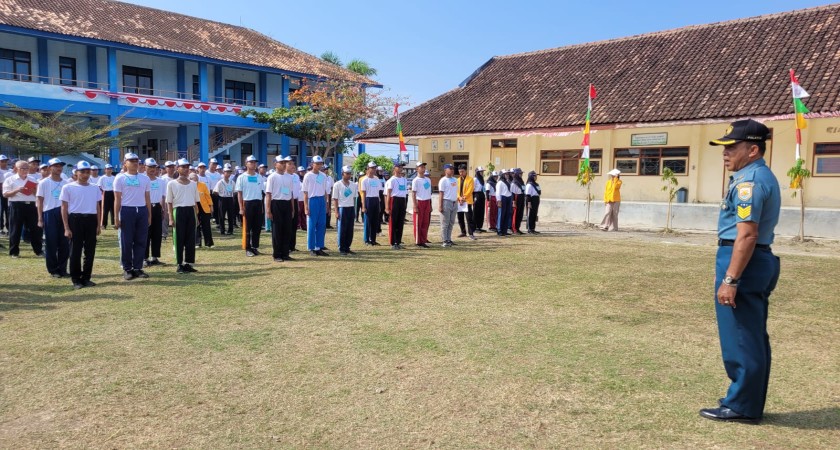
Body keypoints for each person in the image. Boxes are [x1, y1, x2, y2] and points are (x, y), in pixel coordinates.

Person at [699, 119, 781, 424]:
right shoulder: (755, 176)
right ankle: (746, 400)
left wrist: (731, 279)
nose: (725, 153)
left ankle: (742, 405)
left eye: (732, 147)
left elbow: (746, 235)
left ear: (753, 150)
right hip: (746, 258)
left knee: (742, 335)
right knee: (750, 334)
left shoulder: (750, 183)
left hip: (744, 260)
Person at [60, 161, 102, 289]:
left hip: (91, 219)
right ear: (76, 172)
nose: (85, 174)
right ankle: (76, 279)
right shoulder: (68, 187)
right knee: (75, 251)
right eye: (82, 172)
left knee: (90, 250)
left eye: (87, 172)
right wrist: (66, 227)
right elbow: (64, 208)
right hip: (75, 219)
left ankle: (86, 278)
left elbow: (97, 206)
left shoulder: (95, 187)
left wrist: (98, 224)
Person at [114, 152, 152, 281]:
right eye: (131, 160)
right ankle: (127, 268)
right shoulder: (120, 178)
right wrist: (116, 217)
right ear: (125, 163)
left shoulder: (144, 178)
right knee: (127, 241)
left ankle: (137, 267)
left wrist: (149, 215)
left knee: (141, 240)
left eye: (136, 160)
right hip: (127, 210)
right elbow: (117, 199)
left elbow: (147, 197)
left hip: (141, 210)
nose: (135, 163)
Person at [36, 158, 69, 277]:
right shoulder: (44, 183)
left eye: (60, 166)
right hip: (50, 213)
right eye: (56, 166)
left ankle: (62, 269)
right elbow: (40, 201)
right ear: (50, 168)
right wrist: (40, 218)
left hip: (64, 213)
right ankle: (53, 270)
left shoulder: (66, 183)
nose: (59, 168)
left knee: (64, 243)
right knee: (51, 242)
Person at [166, 158, 200, 274]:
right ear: (177, 168)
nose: (186, 169)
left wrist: (196, 216)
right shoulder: (172, 184)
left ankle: (188, 263)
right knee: (179, 238)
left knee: (191, 238)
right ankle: (179, 263)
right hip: (178, 210)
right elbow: (169, 202)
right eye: (183, 167)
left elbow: (195, 202)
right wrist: (171, 218)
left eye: (187, 167)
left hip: (190, 211)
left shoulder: (193, 184)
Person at [3, 160, 43, 258]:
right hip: (16, 205)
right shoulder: (10, 179)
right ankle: (14, 252)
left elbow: (38, 194)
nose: (25, 170)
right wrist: (17, 190)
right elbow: (5, 194)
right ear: (17, 169)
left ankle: (38, 251)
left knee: (35, 229)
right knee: (15, 229)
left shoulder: (33, 179)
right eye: (23, 168)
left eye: (27, 168)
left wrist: (34, 191)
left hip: (31, 205)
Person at [265, 156, 295, 262]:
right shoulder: (272, 177)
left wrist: (292, 209)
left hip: (287, 204)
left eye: (284, 162)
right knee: (277, 230)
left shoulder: (289, 177)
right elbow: (268, 194)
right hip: (276, 203)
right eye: (281, 162)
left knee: (287, 229)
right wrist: (268, 209)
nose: (283, 164)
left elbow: (291, 194)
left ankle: (285, 253)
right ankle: (277, 254)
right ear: (275, 164)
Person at [301, 155, 331, 256]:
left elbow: (325, 191)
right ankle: (312, 247)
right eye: (317, 164)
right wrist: (306, 207)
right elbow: (305, 192)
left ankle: (319, 247)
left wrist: (326, 204)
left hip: (321, 200)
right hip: (312, 200)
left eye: (320, 164)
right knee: (312, 225)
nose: (319, 165)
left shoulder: (323, 176)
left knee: (321, 224)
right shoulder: (308, 176)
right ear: (312, 164)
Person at [236, 156, 265, 257]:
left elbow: (262, 192)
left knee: (257, 227)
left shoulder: (259, 177)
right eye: (251, 162)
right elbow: (239, 193)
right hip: (247, 203)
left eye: (254, 162)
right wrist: (241, 207)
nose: (253, 164)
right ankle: (248, 248)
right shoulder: (241, 177)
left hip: (258, 202)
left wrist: (261, 205)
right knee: (248, 227)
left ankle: (255, 247)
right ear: (246, 164)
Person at [143, 159, 166, 267]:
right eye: (150, 167)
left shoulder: (161, 181)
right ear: (145, 167)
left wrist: (163, 209)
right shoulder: (142, 180)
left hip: (157, 207)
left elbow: (163, 196)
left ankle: (155, 257)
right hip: (145, 207)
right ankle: (144, 257)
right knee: (146, 233)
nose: (152, 169)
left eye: (154, 167)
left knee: (157, 233)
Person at [332, 165, 358, 255]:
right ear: (342, 174)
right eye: (347, 173)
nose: (349, 175)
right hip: (342, 207)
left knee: (350, 229)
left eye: (350, 173)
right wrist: (336, 211)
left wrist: (354, 210)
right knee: (342, 229)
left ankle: (347, 247)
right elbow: (335, 199)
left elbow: (354, 198)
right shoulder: (337, 184)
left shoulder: (353, 185)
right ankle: (342, 248)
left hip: (350, 208)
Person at [385, 162, 408, 249]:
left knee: (400, 222)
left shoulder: (404, 180)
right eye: (399, 167)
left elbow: (405, 192)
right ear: (394, 168)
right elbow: (388, 193)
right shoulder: (392, 180)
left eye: (402, 167)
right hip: (394, 200)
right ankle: (393, 242)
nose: (401, 168)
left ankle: (398, 241)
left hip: (402, 200)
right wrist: (387, 207)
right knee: (393, 221)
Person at [360, 162, 382, 246]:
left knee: (375, 221)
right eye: (372, 168)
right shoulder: (364, 180)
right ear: (368, 169)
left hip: (375, 199)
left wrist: (379, 203)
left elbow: (378, 191)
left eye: (374, 168)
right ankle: (366, 239)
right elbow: (363, 193)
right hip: (368, 199)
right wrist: (363, 206)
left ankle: (373, 239)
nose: (374, 169)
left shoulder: (376, 179)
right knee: (368, 221)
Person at [411, 162, 432, 248]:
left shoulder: (428, 180)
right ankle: (418, 241)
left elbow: (428, 192)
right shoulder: (415, 180)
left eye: (424, 167)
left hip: (427, 201)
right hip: (419, 201)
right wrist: (415, 205)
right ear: (417, 169)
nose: (423, 168)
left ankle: (423, 240)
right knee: (418, 223)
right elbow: (413, 193)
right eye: (421, 167)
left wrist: (430, 204)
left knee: (425, 222)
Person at [438, 163, 458, 247]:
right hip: (446, 201)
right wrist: (440, 205)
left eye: (453, 168)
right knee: (445, 222)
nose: (452, 170)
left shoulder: (455, 179)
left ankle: (449, 239)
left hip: (454, 202)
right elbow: (441, 193)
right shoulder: (443, 180)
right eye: (450, 169)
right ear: (445, 170)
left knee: (451, 222)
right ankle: (444, 240)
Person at [192, 172, 214, 249]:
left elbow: (208, 196)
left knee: (206, 225)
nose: (194, 179)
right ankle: (197, 243)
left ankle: (209, 243)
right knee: (196, 225)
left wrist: (211, 205)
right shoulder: (189, 186)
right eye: (192, 178)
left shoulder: (203, 185)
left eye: (195, 177)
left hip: (204, 207)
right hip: (194, 207)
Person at [456, 164, 477, 240]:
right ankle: (463, 232)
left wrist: (464, 197)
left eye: (462, 171)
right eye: (460, 172)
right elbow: (456, 190)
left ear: (466, 171)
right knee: (460, 217)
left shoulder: (470, 179)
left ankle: (471, 233)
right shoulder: (457, 180)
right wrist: (459, 197)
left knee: (469, 218)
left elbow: (470, 190)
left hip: (467, 201)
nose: (461, 173)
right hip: (459, 201)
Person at [214, 164, 236, 235]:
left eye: (229, 172)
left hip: (230, 198)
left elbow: (234, 191)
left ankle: (230, 230)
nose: (228, 174)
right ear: (223, 173)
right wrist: (221, 195)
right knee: (221, 215)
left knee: (230, 215)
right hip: (222, 199)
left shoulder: (232, 182)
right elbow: (215, 191)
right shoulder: (220, 182)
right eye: (227, 172)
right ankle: (222, 230)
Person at [285, 159, 301, 252]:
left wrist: (297, 204)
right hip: (286, 201)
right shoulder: (283, 176)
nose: (293, 166)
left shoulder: (296, 176)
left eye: (293, 164)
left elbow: (296, 191)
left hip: (294, 200)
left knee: (294, 225)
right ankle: (286, 246)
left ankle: (292, 246)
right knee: (287, 225)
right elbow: (285, 190)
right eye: (290, 164)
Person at [495, 169, 513, 236]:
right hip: (503, 198)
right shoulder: (500, 182)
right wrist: (499, 200)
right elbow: (498, 192)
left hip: (508, 198)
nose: (507, 175)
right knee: (501, 214)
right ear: (502, 175)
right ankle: (499, 229)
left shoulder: (508, 181)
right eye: (506, 174)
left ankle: (504, 230)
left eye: (508, 174)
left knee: (507, 214)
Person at [100, 164, 116, 229]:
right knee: (105, 209)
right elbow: (99, 186)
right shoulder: (102, 178)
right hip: (105, 193)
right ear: (105, 170)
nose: (109, 170)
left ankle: (114, 224)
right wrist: (103, 192)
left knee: (113, 208)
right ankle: (104, 224)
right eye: (108, 169)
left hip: (112, 193)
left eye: (110, 169)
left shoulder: (114, 177)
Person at [510, 168, 526, 235]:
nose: (521, 174)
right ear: (516, 174)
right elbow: (512, 193)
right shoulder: (514, 182)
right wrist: (513, 201)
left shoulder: (521, 181)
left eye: (521, 173)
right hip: (517, 197)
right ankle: (514, 229)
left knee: (520, 214)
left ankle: (518, 228)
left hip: (522, 197)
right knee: (516, 214)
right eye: (520, 173)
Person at [207, 158, 222, 225]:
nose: (214, 166)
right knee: (208, 208)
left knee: (217, 207)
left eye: (215, 164)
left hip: (216, 193)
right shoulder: (206, 173)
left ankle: (217, 222)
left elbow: (220, 184)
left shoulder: (218, 174)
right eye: (213, 164)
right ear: (209, 164)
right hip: (208, 193)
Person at [473, 167, 487, 232]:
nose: (482, 173)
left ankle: (479, 226)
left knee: (481, 211)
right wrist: (473, 197)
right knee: (476, 211)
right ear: (477, 172)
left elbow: (484, 188)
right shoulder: (475, 179)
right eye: (481, 171)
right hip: (477, 194)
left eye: (482, 171)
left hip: (482, 194)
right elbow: (472, 189)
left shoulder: (482, 179)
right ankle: (474, 227)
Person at [0, 154, 11, 235]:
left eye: (5, 161)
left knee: (8, 210)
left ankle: (9, 227)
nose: (4, 163)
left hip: (8, 192)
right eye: (2, 161)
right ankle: (1, 228)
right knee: (1, 210)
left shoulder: (10, 171)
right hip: (0, 192)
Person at [296, 166, 307, 231]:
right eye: (301, 171)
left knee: (304, 213)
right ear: (298, 172)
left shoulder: (305, 179)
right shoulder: (297, 180)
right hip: (299, 199)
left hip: (304, 199)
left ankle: (304, 225)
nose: (302, 173)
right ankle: (298, 225)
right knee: (299, 212)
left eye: (303, 171)